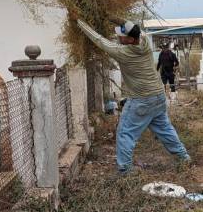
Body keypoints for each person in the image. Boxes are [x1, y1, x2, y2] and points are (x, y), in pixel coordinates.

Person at [77, 18, 191, 174]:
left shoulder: (123, 52)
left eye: (121, 36)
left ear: (131, 39)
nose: (118, 37)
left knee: (125, 133)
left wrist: (80, 22)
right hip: (158, 96)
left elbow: (100, 41)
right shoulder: (145, 42)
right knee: (165, 129)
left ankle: (124, 170)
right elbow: (134, 27)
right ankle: (183, 158)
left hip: (141, 99)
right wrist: (115, 19)